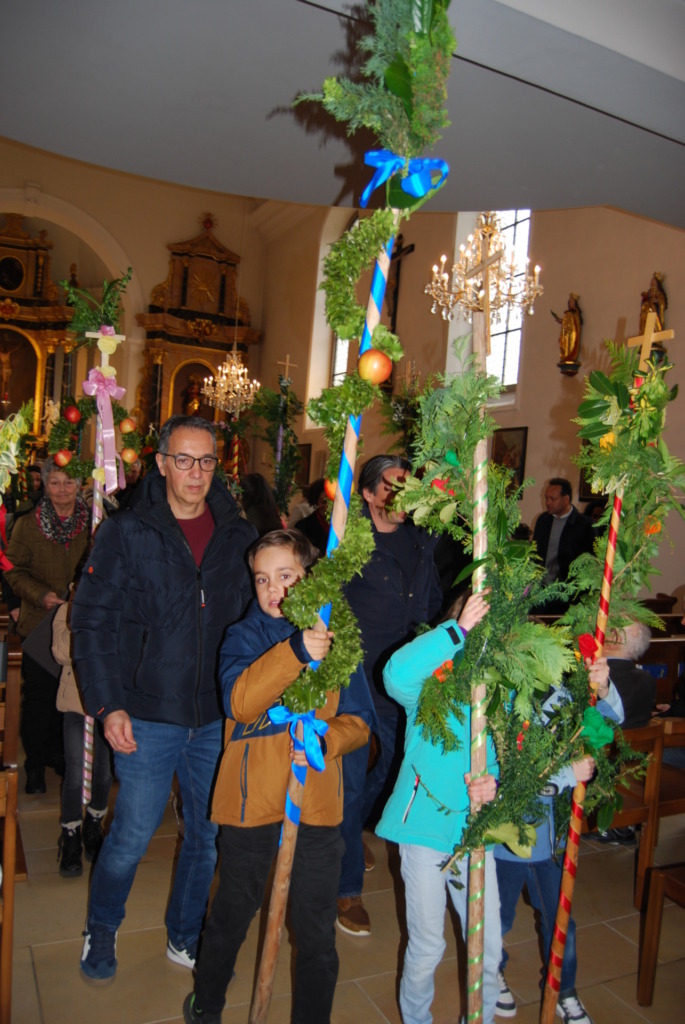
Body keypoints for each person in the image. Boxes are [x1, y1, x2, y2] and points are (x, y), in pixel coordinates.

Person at [71, 414, 256, 983]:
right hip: (147, 714)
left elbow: (255, 617)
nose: (196, 473)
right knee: (129, 837)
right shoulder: (128, 531)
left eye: (206, 461)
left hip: (214, 715)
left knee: (207, 835)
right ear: (160, 463)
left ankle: (183, 933)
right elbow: (92, 623)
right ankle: (101, 928)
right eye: (183, 459)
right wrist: (108, 705)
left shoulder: (238, 533)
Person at [183, 529, 375, 1024]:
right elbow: (240, 702)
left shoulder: (340, 641)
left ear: (311, 579)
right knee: (231, 913)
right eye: (263, 578)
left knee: (314, 928)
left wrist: (326, 740)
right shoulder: (242, 637)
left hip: (315, 807)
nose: (274, 590)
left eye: (287, 577)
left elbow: (360, 723)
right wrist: (295, 653)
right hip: (249, 803)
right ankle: (206, 1003)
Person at [376, 590, 500, 1023]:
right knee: (429, 944)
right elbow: (396, 675)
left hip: (474, 832)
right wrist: (458, 631)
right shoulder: (429, 686)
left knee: (487, 942)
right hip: (423, 830)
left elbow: (504, 756)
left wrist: (493, 784)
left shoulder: (495, 692)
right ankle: (416, 1018)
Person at [337, 454, 443, 936]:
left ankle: (349, 833)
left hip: (404, 674)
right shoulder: (348, 539)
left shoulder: (422, 541)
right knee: (354, 774)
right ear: (368, 493)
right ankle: (345, 892)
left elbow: (430, 600)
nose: (403, 497)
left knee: (395, 767)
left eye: (409, 486)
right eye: (393, 487)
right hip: (356, 671)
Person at [495, 657, 619, 1024]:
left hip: (549, 838)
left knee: (560, 917)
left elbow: (611, 719)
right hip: (507, 835)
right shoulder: (504, 698)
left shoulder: (564, 695)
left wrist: (603, 686)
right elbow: (510, 767)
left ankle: (564, 988)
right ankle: (493, 971)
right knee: (498, 915)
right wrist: (566, 774)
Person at [4, 458, 90, 793]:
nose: (62, 490)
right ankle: (35, 764)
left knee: (69, 693)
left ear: (79, 485)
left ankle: (60, 755)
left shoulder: (93, 522)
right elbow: (13, 569)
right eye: (55, 483)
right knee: (39, 697)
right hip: (39, 621)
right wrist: (42, 596)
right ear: (44, 484)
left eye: (69, 483)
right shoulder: (28, 524)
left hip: (77, 622)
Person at [52, 588, 113, 878]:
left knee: (103, 772)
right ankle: (71, 833)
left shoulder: (112, 608)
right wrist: (80, 623)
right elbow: (61, 653)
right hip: (75, 705)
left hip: (105, 704)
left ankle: (93, 824)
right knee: (76, 772)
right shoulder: (66, 612)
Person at [532, 478, 594, 613]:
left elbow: (590, 562)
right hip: (542, 591)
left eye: (552, 499)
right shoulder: (543, 520)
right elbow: (534, 553)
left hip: (568, 596)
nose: (547, 502)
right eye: (546, 498)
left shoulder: (584, 525)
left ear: (566, 499)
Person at [294, 477, 329, 555]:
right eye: (323, 502)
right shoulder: (302, 527)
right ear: (316, 501)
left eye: (331, 503)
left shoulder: (341, 526)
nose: (327, 507)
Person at [552, 294, 583, 366]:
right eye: (570, 302)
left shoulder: (576, 313)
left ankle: (571, 357)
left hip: (572, 332)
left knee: (572, 345)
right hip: (566, 333)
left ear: (575, 303)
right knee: (565, 345)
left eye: (572, 302)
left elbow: (576, 322)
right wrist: (560, 320)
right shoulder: (567, 313)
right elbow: (566, 322)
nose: (571, 304)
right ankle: (565, 357)